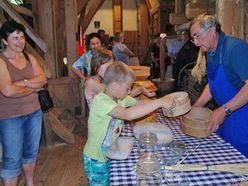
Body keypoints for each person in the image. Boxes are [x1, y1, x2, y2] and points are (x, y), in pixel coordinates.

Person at [83, 62, 175, 185]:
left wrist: (158, 103)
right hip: (95, 157)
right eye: (128, 88)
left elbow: (138, 104)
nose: (129, 91)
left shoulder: (119, 98)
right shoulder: (101, 101)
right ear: (115, 86)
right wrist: (159, 103)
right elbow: (127, 114)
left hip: (106, 152)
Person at [190, 14, 248, 157]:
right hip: (225, 115)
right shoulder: (211, 51)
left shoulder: (235, 48)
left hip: (242, 117)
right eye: (193, 39)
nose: (196, 43)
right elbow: (213, 83)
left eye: (197, 36)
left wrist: (224, 110)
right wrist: (196, 107)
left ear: (212, 30)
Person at [0, 20, 47, 185]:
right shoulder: (1, 61)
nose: (20, 41)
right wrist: (32, 88)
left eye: (22, 37)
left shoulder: (29, 56)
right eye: (15, 38)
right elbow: (8, 91)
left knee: (31, 152)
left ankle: (30, 182)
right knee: (12, 157)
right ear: (5, 41)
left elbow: (42, 80)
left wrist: (23, 84)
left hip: (34, 112)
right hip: (10, 117)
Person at [84, 48, 156, 106]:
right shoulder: (91, 82)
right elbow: (117, 97)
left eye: (111, 66)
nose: (109, 69)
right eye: (106, 66)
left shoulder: (104, 80)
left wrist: (140, 90)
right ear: (96, 65)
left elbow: (121, 98)